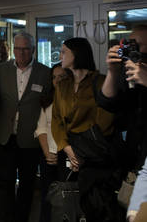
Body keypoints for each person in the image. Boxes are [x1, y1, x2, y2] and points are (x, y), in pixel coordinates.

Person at [52, 37, 121, 221]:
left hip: (95, 156)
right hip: (68, 153)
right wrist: (67, 148)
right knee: (69, 204)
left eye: (64, 51)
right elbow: (57, 120)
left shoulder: (100, 82)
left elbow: (105, 121)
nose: (60, 55)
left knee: (96, 207)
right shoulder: (62, 85)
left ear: (77, 54)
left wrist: (81, 151)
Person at [0, 32, 51, 222]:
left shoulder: (45, 72)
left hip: (30, 139)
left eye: (26, 48)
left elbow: (48, 106)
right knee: (5, 185)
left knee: (27, 186)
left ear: (33, 49)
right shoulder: (1, 70)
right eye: (18, 48)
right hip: (5, 136)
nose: (21, 52)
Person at [95, 25, 147, 222]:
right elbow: (106, 102)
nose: (131, 49)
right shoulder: (130, 71)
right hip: (131, 156)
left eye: (137, 45)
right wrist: (112, 71)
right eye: (128, 44)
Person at [34, 63, 71, 222]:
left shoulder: (75, 101)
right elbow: (41, 129)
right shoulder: (47, 100)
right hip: (48, 155)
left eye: (61, 76)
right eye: (54, 77)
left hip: (69, 156)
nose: (57, 80)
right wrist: (47, 153)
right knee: (47, 198)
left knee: (67, 199)